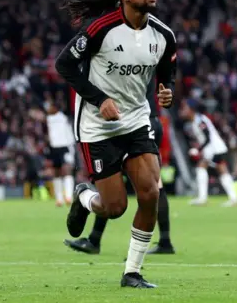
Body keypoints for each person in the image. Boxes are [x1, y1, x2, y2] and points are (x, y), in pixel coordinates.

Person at [55, 0, 176, 288]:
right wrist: (99, 99)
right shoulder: (102, 29)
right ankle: (84, 197)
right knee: (114, 207)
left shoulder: (163, 35)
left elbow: (167, 70)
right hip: (97, 127)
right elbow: (64, 64)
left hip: (136, 120)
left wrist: (167, 90)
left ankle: (132, 272)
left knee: (150, 193)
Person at [63, 76, 176, 255]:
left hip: (135, 124)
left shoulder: (127, 57)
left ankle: (96, 239)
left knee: (125, 184)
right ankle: (164, 241)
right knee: (150, 187)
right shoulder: (148, 53)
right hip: (147, 121)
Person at [179, 99, 237, 207]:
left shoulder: (199, 120)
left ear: (191, 109)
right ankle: (231, 198)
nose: (183, 111)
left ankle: (205, 198)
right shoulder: (196, 121)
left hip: (215, 149)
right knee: (213, 170)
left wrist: (198, 149)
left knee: (209, 169)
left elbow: (207, 137)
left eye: (185, 108)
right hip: (214, 149)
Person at [44, 101, 76, 206]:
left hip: (64, 147)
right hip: (53, 148)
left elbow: (69, 134)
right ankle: (59, 199)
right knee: (56, 173)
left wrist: (71, 150)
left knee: (66, 171)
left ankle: (68, 197)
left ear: (55, 108)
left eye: (50, 107)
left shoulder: (63, 119)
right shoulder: (49, 119)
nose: (48, 109)